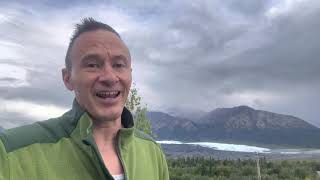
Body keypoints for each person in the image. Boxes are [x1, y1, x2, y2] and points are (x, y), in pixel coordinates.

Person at [0, 17, 169, 180]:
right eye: (92, 65)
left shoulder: (152, 152)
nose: (110, 77)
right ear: (67, 78)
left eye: (119, 65)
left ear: (130, 75)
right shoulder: (10, 152)